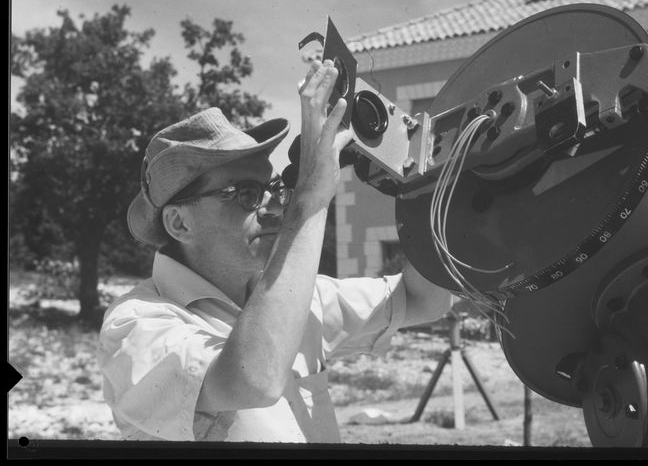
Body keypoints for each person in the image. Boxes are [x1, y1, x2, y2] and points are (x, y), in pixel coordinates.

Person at [97, 59, 454, 442]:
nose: (274, 206)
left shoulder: (295, 295)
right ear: (179, 223)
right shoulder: (134, 324)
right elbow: (255, 379)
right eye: (246, 193)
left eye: (272, 189)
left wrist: (429, 194)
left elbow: (424, 300)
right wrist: (312, 199)